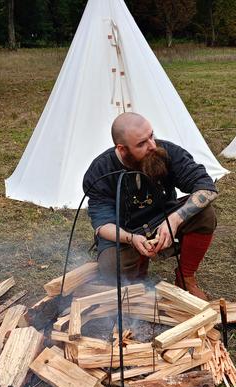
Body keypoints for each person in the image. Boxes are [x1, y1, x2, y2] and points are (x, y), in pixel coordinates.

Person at [82, 112, 218, 299]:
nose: (152, 146)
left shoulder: (166, 151)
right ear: (122, 149)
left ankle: (186, 277)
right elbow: (102, 224)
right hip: (127, 230)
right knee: (111, 267)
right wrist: (131, 239)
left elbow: (206, 187)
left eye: (151, 136)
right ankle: (138, 275)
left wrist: (175, 219)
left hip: (163, 217)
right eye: (141, 144)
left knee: (204, 214)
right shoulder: (101, 170)